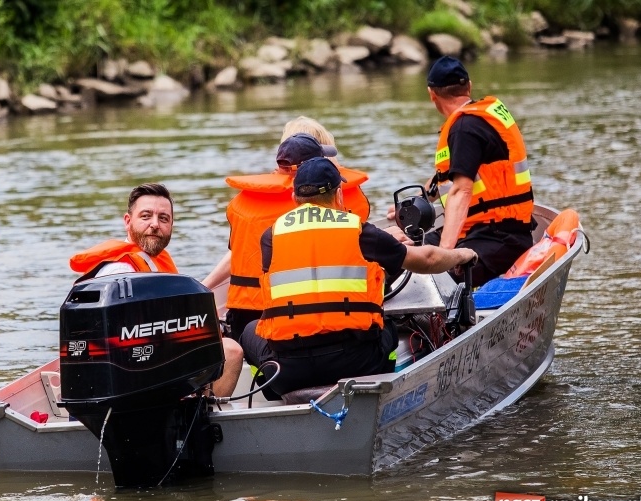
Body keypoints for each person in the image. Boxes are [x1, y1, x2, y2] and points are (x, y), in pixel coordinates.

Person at [240, 157, 477, 396]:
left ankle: (272, 394)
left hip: (288, 372)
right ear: (338, 195)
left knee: (249, 331)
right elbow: (427, 259)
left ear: (294, 198)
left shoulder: (270, 237)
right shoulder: (359, 231)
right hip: (356, 364)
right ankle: (382, 392)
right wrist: (461, 255)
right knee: (386, 323)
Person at [202, 118, 371, 342]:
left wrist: (204, 287)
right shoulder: (346, 197)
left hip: (249, 316)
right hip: (319, 317)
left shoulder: (244, 203)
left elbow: (242, 253)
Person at [68, 183, 243, 397]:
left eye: (163, 218)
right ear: (128, 221)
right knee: (230, 351)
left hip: (150, 362)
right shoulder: (120, 272)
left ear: (171, 225)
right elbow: (121, 345)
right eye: (146, 216)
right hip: (127, 376)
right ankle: (197, 412)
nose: (155, 224)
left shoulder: (155, 263)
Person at [388, 56, 535, 286]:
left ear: (432, 94)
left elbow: (461, 190)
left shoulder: (464, 128)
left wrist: (443, 255)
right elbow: (446, 177)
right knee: (398, 254)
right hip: (484, 231)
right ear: (469, 86)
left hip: (497, 238)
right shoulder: (480, 117)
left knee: (431, 282)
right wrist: (415, 204)